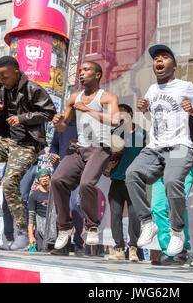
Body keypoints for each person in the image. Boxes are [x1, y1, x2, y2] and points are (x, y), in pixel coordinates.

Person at [125, 44, 193, 256]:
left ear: (174, 65)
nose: (159, 61)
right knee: (131, 174)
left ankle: (177, 233)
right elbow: (155, 120)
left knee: (173, 182)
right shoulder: (152, 90)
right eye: (156, 58)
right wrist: (144, 110)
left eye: (164, 57)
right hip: (155, 147)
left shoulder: (185, 86)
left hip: (179, 146)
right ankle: (147, 223)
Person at [0, 56, 56, 251]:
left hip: (28, 145)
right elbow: (4, 114)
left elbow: (49, 113)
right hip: (9, 142)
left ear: (16, 72)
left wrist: (23, 118)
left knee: (10, 183)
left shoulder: (33, 89)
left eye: (5, 77)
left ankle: (22, 234)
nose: (2, 81)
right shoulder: (4, 89)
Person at [51, 61, 120, 249]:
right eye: (80, 71)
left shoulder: (107, 97)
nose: (81, 73)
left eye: (86, 70)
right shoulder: (74, 98)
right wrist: (58, 122)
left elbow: (115, 121)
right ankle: (65, 227)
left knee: (86, 184)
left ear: (98, 75)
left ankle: (91, 227)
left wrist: (89, 110)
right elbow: (64, 125)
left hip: (100, 148)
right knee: (57, 180)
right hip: (79, 148)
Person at [150, 115, 193, 266]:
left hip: (182, 166)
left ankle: (183, 250)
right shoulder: (155, 119)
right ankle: (169, 251)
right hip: (160, 168)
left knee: (176, 204)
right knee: (157, 207)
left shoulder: (185, 117)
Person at [107, 104, 146, 262]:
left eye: (124, 114)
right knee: (115, 215)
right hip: (116, 180)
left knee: (135, 216)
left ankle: (134, 248)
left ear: (131, 114)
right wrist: (107, 165)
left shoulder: (142, 133)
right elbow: (105, 157)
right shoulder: (113, 133)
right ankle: (118, 248)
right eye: (118, 115)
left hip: (135, 181)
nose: (121, 117)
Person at [49, 122, 85, 256]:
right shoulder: (61, 126)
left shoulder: (86, 123)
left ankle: (79, 244)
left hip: (79, 173)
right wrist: (52, 154)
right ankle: (63, 246)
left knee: (75, 205)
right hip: (60, 172)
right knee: (61, 208)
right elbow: (54, 146)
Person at [27, 169, 56, 252]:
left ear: (50, 178)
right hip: (40, 230)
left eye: (46, 176)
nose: (44, 178)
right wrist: (31, 237)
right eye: (41, 177)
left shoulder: (56, 193)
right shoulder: (34, 196)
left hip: (55, 229)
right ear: (38, 179)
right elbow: (31, 217)